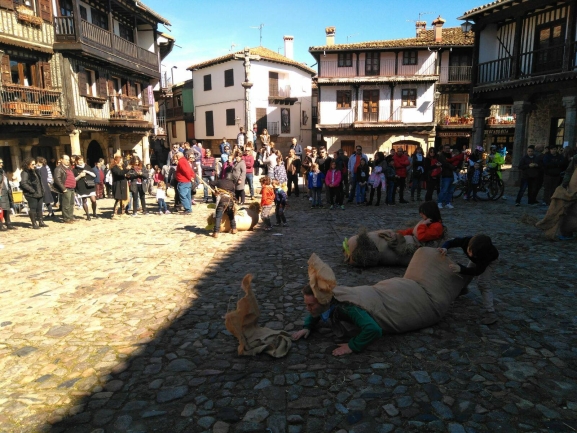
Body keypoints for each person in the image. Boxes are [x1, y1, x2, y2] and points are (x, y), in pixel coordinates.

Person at [291, 284, 382, 356]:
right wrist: (307, 327)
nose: (307, 308)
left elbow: (373, 329)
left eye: (310, 305)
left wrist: (352, 346)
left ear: (324, 302)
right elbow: (318, 310)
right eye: (306, 304)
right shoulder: (326, 301)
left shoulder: (348, 308)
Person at [438, 234, 499, 325]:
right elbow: (450, 242)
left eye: (473, 253)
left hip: (489, 262)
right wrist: (445, 248)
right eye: (469, 250)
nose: (469, 254)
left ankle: (491, 312)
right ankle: (463, 289)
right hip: (476, 260)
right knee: (467, 274)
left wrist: (461, 269)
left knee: (483, 283)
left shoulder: (485, 256)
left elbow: (478, 271)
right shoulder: (466, 241)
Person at [20, 157, 46, 229]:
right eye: (32, 164)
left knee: (39, 208)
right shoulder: (25, 173)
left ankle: (41, 222)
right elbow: (23, 183)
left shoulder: (36, 171)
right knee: (33, 208)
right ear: (27, 164)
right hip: (31, 194)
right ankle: (34, 223)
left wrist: (42, 190)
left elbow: (39, 181)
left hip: (39, 192)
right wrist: (32, 190)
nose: (34, 166)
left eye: (35, 164)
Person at [210, 173, 237, 238]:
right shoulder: (232, 184)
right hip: (229, 201)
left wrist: (215, 191)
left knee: (218, 217)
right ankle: (234, 229)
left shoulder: (220, 181)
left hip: (221, 200)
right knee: (231, 215)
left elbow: (210, 183)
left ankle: (216, 232)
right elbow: (233, 194)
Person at [53, 155, 77, 224]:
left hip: (72, 188)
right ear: (61, 160)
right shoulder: (59, 169)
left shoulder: (69, 168)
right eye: (66, 159)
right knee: (66, 204)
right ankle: (66, 218)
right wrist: (63, 189)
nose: (67, 161)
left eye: (68, 160)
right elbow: (57, 179)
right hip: (66, 188)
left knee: (71, 203)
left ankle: (70, 217)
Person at [72, 156, 97, 220]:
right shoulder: (74, 169)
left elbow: (94, 175)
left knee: (93, 200)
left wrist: (87, 171)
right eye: (79, 160)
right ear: (76, 161)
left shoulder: (87, 167)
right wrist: (80, 176)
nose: (80, 161)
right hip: (81, 186)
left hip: (90, 184)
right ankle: (88, 215)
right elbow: (74, 179)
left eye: (81, 160)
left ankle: (94, 213)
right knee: (84, 200)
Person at [437, 144, 457, 209]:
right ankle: (439, 202)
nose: (447, 149)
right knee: (444, 190)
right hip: (445, 175)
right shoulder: (442, 156)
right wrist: (454, 167)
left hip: (452, 175)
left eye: (448, 148)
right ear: (443, 149)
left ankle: (447, 202)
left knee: (450, 191)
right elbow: (445, 164)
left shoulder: (451, 155)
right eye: (446, 148)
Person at [0, 163, 16, 230]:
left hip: (6, 192)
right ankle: (0, 225)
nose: (1, 164)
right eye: (0, 163)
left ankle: (8, 223)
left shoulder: (3, 171)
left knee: (6, 208)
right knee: (1, 209)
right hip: (1, 192)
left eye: (2, 163)